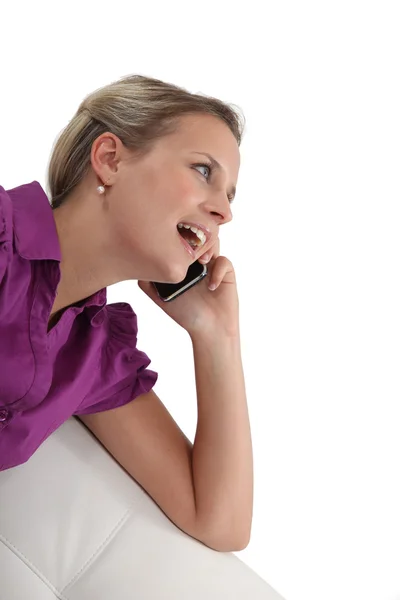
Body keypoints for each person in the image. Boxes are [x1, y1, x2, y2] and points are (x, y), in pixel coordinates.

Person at [0, 74, 253, 552]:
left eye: (230, 195)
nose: (224, 211)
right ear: (110, 160)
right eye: (204, 171)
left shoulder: (91, 357)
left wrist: (217, 334)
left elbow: (220, 523)